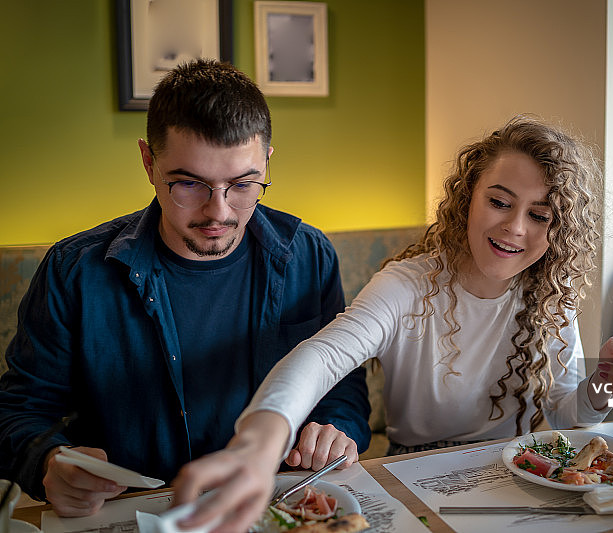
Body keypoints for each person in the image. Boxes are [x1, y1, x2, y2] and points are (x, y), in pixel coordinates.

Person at [171, 115, 613, 532]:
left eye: (540, 214)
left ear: (559, 228)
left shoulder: (552, 300)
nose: (515, 228)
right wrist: (258, 444)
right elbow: (321, 356)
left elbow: (568, 416)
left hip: (516, 479)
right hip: (416, 476)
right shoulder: (408, 286)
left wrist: (607, 388)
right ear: (468, 197)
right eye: (500, 202)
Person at [0, 59, 371, 517]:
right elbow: (19, 410)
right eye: (190, 184)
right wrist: (47, 462)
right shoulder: (74, 270)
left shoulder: (308, 256)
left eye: (243, 184)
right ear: (148, 162)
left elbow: (343, 386)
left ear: (267, 162)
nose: (220, 212)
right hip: (132, 512)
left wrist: (337, 427)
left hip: (275, 507)